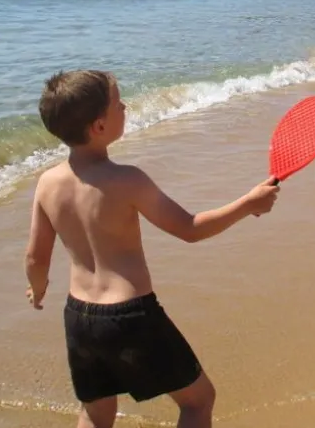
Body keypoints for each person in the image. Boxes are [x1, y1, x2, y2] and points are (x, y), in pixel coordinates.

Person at [24, 69, 280, 428]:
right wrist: (248, 204)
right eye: (117, 103)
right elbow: (189, 229)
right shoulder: (128, 180)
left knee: (96, 412)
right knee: (198, 401)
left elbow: (36, 257)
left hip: (79, 316)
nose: (125, 105)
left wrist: (37, 290)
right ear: (99, 126)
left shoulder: (47, 183)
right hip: (130, 316)